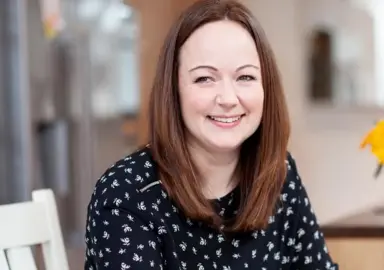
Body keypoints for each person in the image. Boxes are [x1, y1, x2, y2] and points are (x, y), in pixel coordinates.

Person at [83, 0, 339, 269]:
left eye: (245, 77)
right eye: (205, 78)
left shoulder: (279, 174)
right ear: (174, 91)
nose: (228, 98)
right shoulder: (127, 194)